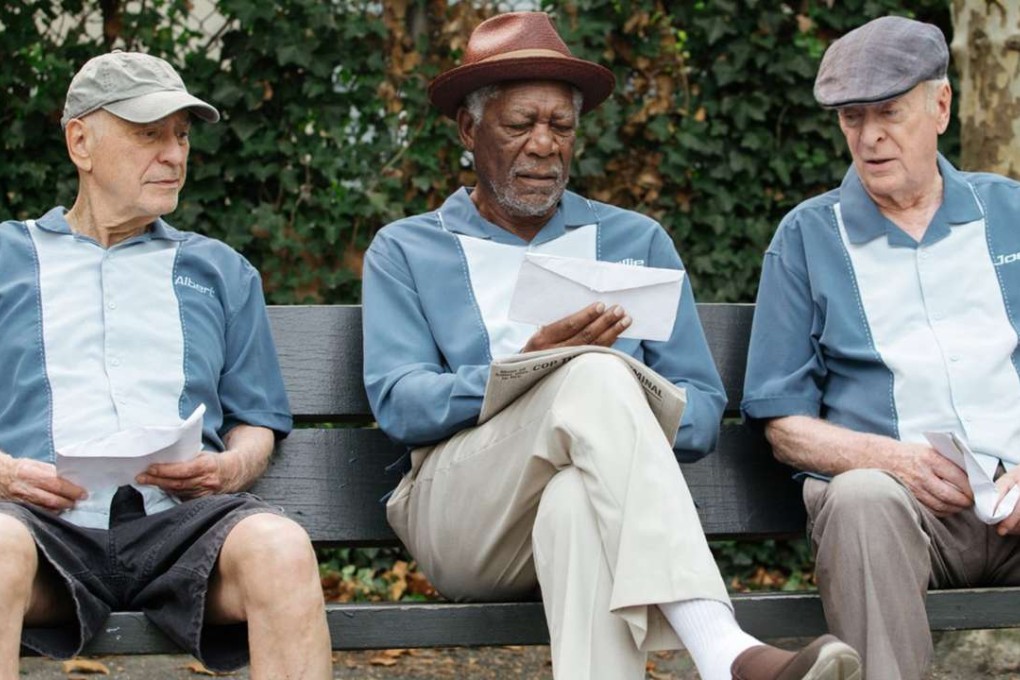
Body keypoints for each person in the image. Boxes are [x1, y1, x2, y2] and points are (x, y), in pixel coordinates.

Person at [362, 12, 861, 680]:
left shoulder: (636, 242)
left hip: (592, 504)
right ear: (468, 130)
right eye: (519, 125)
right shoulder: (407, 248)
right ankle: (722, 648)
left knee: (576, 495)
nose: (545, 146)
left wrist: (627, 395)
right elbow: (400, 403)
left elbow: (706, 411)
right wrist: (528, 370)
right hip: (464, 518)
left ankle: (716, 651)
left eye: (561, 127)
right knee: (591, 373)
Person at [0, 51, 332, 677]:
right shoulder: (8, 257)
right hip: (38, 526)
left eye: (181, 135)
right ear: (81, 143)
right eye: (148, 134)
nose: (175, 154)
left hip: (181, 529)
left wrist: (233, 466)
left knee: (281, 547)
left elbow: (256, 419)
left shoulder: (221, 270)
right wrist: (5, 475)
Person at [741, 15, 1020, 680]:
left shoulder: (1008, 212)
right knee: (862, 496)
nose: (868, 138)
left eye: (888, 112)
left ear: (941, 105)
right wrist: (891, 461)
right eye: (850, 119)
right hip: (903, 517)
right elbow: (780, 423)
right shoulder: (808, 236)